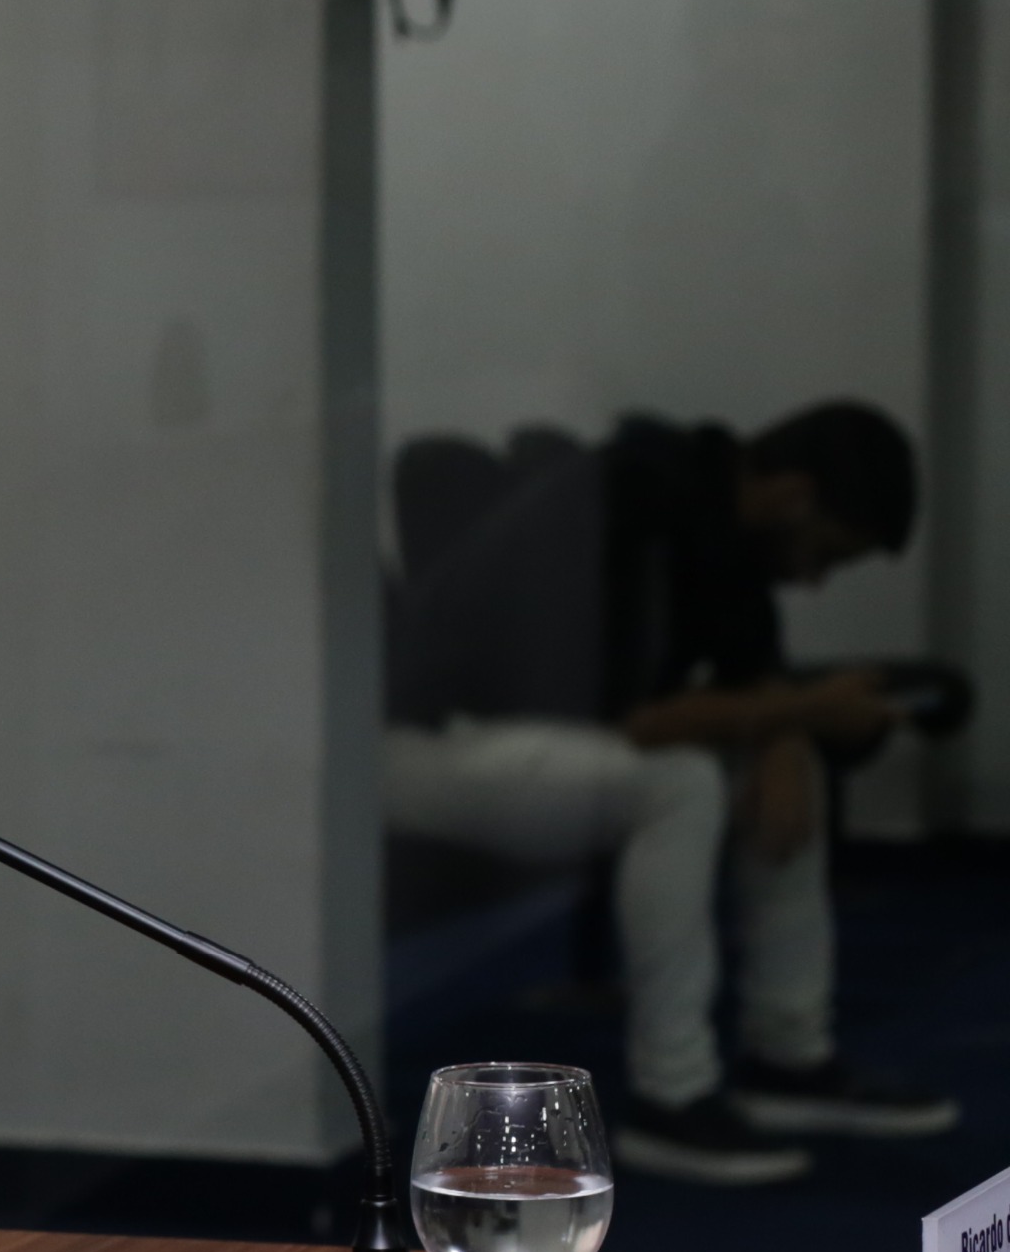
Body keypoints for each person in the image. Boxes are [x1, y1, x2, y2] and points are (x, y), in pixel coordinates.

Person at [384, 402, 960, 1185]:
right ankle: (672, 1096)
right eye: (826, 552)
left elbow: (748, 683)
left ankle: (788, 1057)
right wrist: (799, 713)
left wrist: (787, 735)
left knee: (779, 767)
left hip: (529, 736)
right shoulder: (631, 500)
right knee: (680, 783)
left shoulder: (721, 520)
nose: (816, 577)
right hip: (425, 741)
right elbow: (647, 721)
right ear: (793, 495)